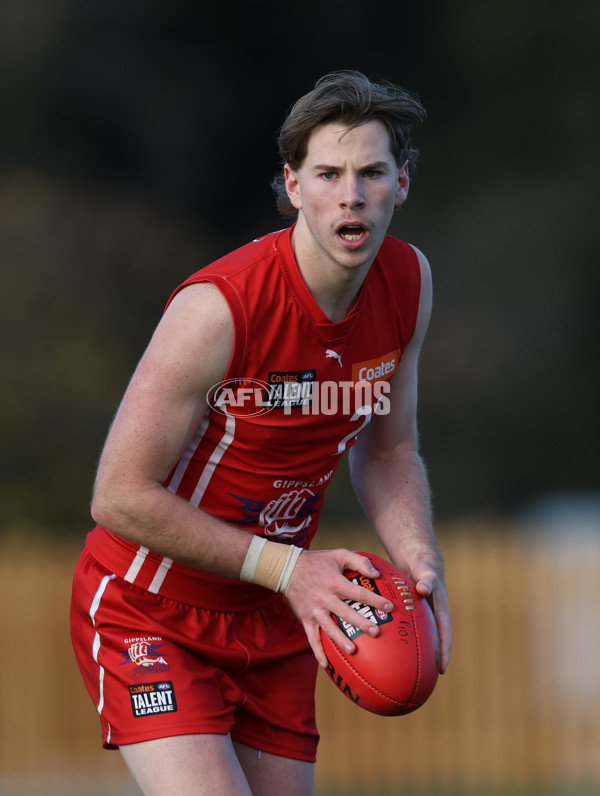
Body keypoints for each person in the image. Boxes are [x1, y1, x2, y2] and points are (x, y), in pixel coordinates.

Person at [70, 69, 452, 796]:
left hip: (277, 616)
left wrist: (418, 563)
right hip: (149, 608)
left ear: (401, 184)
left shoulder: (409, 282)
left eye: (372, 172)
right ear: (292, 185)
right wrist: (288, 569)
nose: (352, 195)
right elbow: (118, 496)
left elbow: (389, 446)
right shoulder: (220, 307)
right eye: (329, 174)